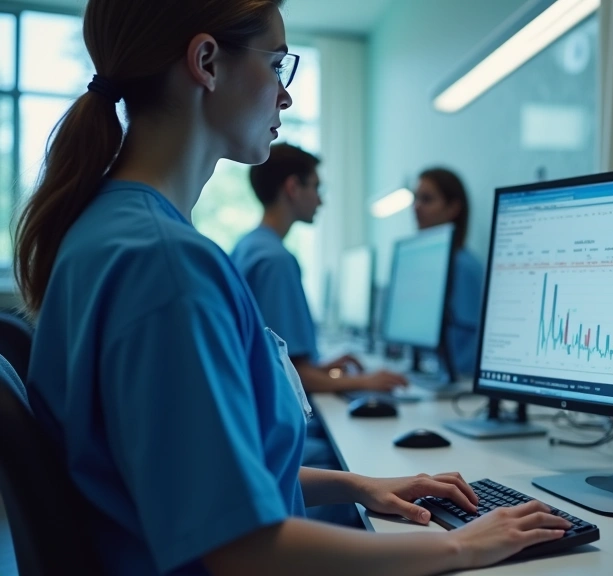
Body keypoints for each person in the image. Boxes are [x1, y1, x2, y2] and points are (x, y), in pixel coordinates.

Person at [14, 1, 570, 575]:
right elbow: (245, 550)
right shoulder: (166, 265)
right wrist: (464, 545)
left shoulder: (113, 231)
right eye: (277, 65)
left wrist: (358, 484)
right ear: (206, 61)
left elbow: (196, 475)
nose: (285, 96)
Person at [232, 143, 406, 396]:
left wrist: (322, 368)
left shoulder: (248, 246)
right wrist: (364, 381)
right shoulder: (275, 260)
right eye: (316, 187)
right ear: (293, 188)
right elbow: (290, 373)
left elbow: (278, 361)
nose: (321, 199)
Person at [413, 168, 485, 376]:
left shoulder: (464, 268)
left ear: (453, 208)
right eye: (415, 198)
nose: (416, 207)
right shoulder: (434, 265)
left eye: (426, 199)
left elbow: (465, 355)